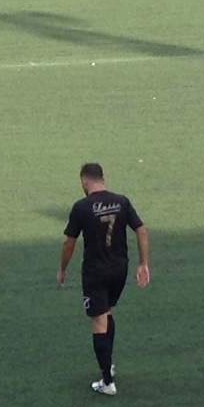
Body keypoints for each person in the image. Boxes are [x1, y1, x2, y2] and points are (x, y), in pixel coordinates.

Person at [58, 164, 149, 395]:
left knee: (99, 320)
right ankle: (109, 364)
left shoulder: (81, 207)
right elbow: (141, 230)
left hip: (95, 271)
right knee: (107, 312)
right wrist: (143, 263)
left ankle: (107, 382)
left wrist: (63, 269)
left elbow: (69, 242)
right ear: (103, 179)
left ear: (84, 181)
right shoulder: (122, 201)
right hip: (120, 268)